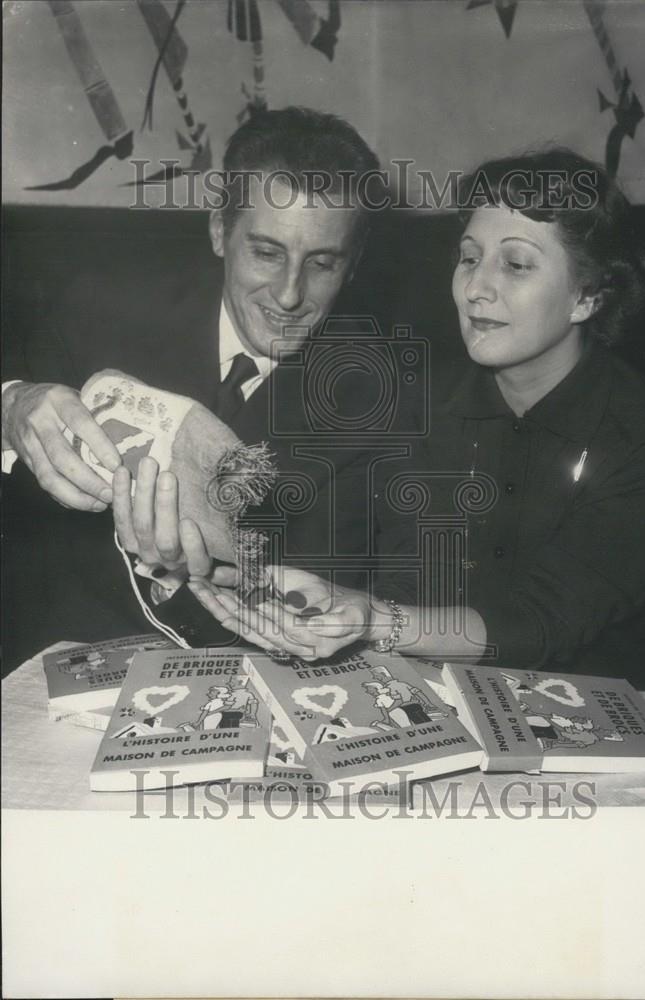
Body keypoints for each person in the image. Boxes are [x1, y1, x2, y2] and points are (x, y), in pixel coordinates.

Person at [186, 148, 645, 693]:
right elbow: (376, 565)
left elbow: (547, 619)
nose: (476, 287)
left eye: (516, 265)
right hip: (431, 696)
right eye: (470, 258)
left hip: (603, 714)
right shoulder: (415, 399)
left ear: (587, 297)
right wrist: (259, 580)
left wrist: (374, 619)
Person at [2, 107, 387, 664]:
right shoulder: (99, 309)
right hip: (59, 659)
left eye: (322, 264)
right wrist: (12, 404)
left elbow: (317, 611)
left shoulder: (375, 401)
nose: (288, 294)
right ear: (218, 232)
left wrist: (191, 573)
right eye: (266, 253)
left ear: (351, 269)